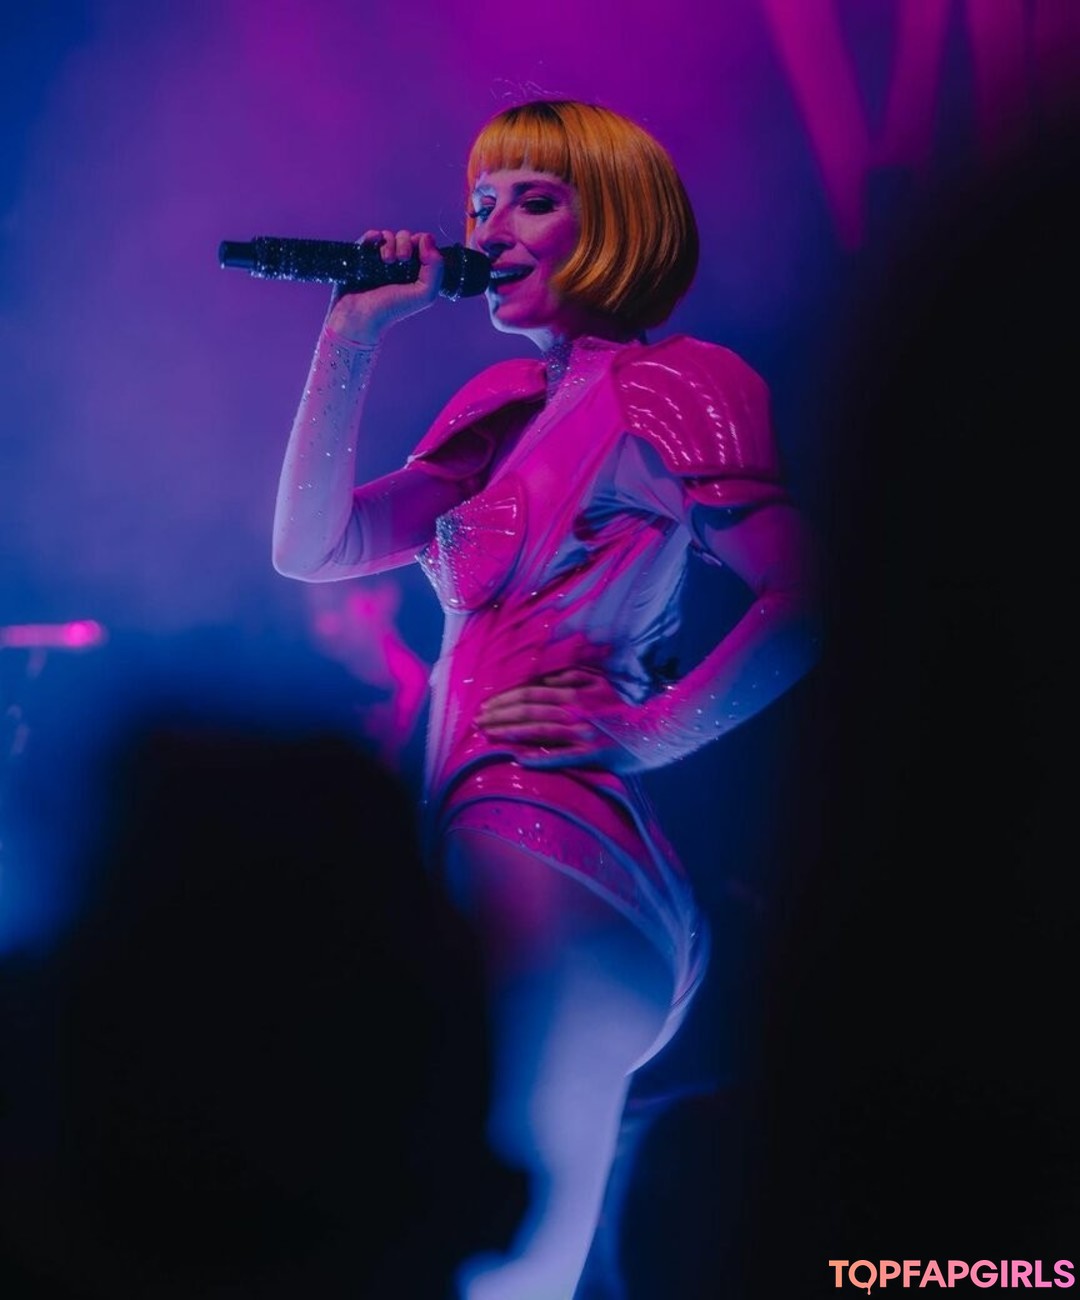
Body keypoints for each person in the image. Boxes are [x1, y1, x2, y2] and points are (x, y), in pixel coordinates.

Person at [272, 98, 821, 1300]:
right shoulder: (502, 405)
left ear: (615, 218)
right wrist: (352, 333)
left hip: (559, 852)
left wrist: (651, 730)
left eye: (533, 200)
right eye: (481, 203)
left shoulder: (677, 385)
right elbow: (314, 548)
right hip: (482, 841)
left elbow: (811, 594)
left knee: (499, 1264)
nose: (490, 229)